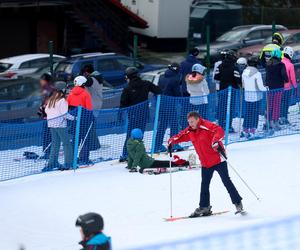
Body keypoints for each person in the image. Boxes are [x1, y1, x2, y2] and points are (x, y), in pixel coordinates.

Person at [168, 111, 243, 216]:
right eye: (189, 122)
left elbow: (219, 131)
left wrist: (215, 140)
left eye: (192, 121)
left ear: (198, 119)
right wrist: (171, 141)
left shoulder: (207, 125)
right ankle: (204, 207)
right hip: (206, 162)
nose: (191, 124)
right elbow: (180, 136)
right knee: (204, 185)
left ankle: (238, 203)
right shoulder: (190, 131)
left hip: (218, 159)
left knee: (226, 181)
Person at [119, 67, 161, 162]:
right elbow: (158, 90)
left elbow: (123, 103)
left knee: (130, 135)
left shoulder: (127, 88)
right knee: (140, 134)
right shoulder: (146, 83)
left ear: (128, 76)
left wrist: (121, 113)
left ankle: (126, 154)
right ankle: (138, 152)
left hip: (133, 114)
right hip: (144, 113)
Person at [42, 82, 74, 172]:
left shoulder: (52, 99)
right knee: (66, 143)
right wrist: (74, 118)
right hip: (60, 125)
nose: (67, 90)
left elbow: (47, 110)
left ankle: (52, 162)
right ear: (62, 89)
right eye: (66, 88)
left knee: (55, 144)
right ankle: (69, 163)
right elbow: (65, 114)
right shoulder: (62, 100)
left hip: (51, 125)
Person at [68, 76, 100, 165]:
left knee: (75, 139)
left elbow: (68, 107)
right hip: (84, 120)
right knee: (85, 139)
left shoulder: (71, 93)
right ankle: (84, 158)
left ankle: (72, 157)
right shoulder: (85, 94)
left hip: (74, 120)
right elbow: (89, 108)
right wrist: (92, 118)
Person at [154, 63, 182, 152]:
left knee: (162, 125)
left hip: (161, 104)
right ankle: (174, 144)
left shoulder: (162, 77)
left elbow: (157, 90)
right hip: (170, 105)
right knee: (174, 124)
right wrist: (182, 102)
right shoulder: (175, 79)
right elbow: (178, 93)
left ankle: (157, 145)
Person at [214, 49, 241, 131]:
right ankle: (228, 126)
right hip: (232, 90)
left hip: (222, 89)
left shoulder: (220, 66)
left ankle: (221, 125)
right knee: (230, 108)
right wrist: (238, 84)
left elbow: (216, 77)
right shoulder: (234, 67)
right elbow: (238, 79)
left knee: (222, 107)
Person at [241, 56, 267, 139]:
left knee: (248, 113)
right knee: (254, 114)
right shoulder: (257, 73)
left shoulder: (244, 72)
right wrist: (266, 88)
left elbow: (243, 85)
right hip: (256, 97)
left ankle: (245, 129)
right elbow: (260, 87)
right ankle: (252, 131)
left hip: (247, 96)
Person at [265, 48, 288, 132]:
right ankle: (275, 122)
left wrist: (266, 83)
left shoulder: (268, 64)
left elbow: (267, 75)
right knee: (276, 105)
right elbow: (283, 74)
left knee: (270, 105)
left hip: (270, 88)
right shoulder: (281, 64)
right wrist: (286, 80)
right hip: (279, 87)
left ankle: (268, 121)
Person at [38, 73, 56, 159]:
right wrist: (40, 109)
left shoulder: (49, 89)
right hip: (47, 116)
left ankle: (48, 152)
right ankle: (47, 152)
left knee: (48, 135)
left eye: (42, 80)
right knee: (47, 135)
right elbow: (44, 103)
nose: (40, 81)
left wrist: (43, 109)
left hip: (50, 117)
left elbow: (49, 103)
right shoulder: (45, 89)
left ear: (45, 80)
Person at [280, 46, 297, 125]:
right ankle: (284, 118)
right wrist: (295, 86)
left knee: (281, 103)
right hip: (288, 88)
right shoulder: (290, 65)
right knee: (286, 104)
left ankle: (280, 118)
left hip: (279, 88)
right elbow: (292, 78)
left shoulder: (280, 62)